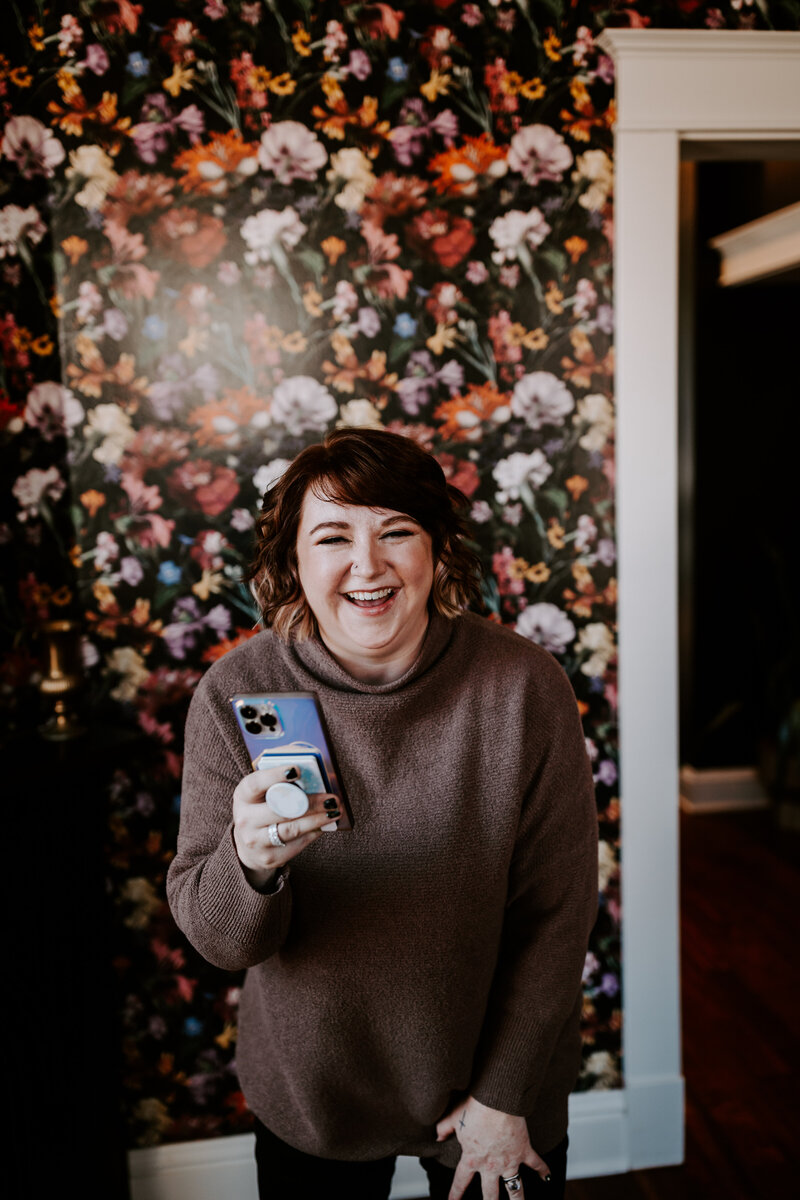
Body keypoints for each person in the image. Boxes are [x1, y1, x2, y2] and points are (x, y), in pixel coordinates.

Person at [167, 427, 598, 1200]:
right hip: (316, 1090)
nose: (368, 565)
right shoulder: (237, 691)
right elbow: (219, 942)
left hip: (494, 1083)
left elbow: (558, 914)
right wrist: (251, 866)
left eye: (397, 531)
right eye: (333, 536)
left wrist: (506, 1093)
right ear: (294, 563)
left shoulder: (523, 687)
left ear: (438, 551)